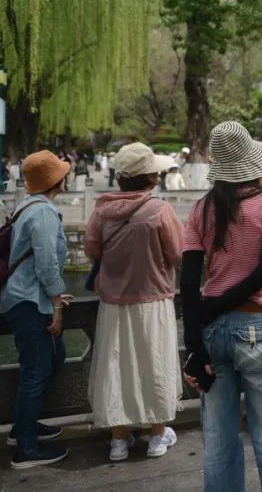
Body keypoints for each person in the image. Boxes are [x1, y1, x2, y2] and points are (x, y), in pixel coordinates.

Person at [180, 121, 262, 492]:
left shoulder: (201, 209)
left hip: (212, 333)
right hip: (258, 326)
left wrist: (194, 343)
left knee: (218, 440)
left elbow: (187, 282)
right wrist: (219, 307)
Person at [85, 143, 184, 461]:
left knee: (116, 366)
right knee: (155, 364)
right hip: (152, 300)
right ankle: (157, 436)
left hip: (114, 302)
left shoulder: (102, 210)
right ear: (152, 177)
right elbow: (177, 254)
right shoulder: (159, 210)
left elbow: (92, 250)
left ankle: (118, 440)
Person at [1, 150, 73, 469]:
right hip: (31, 300)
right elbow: (46, 263)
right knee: (35, 370)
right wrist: (57, 304)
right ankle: (26, 449)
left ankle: (24, 425)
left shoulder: (27, 205)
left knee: (53, 358)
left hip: (24, 297)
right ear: (56, 180)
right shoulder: (43, 211)